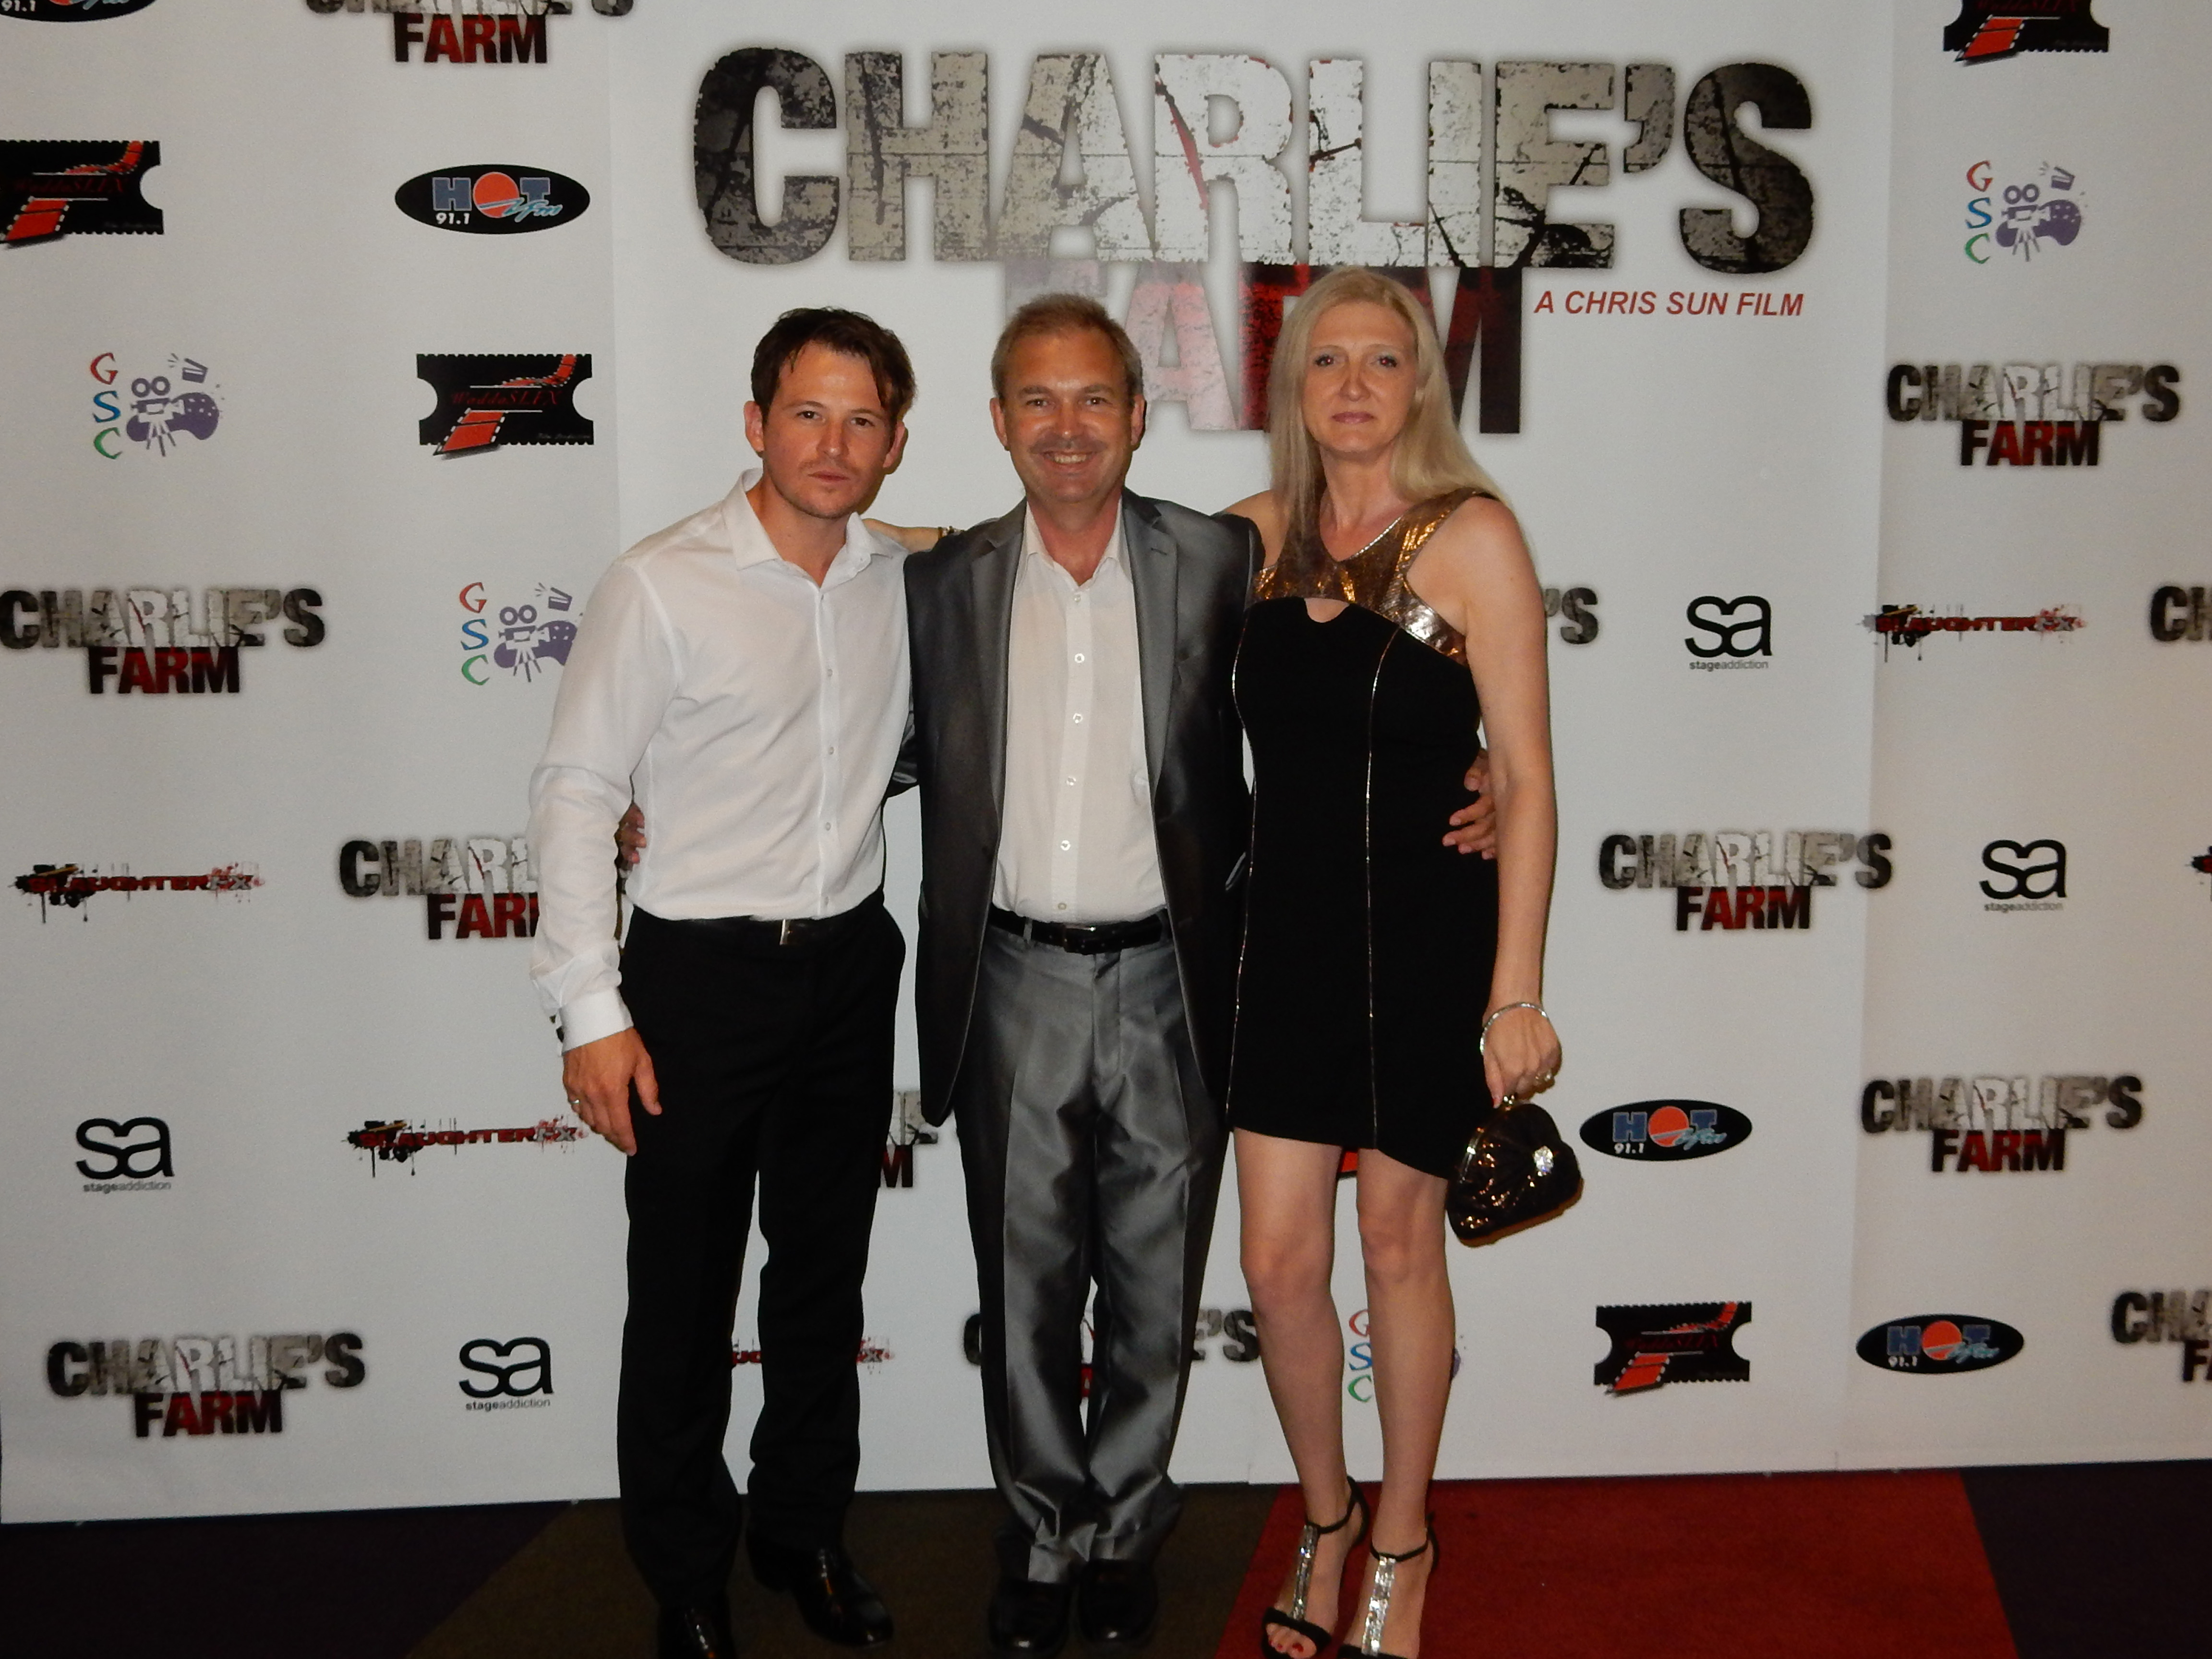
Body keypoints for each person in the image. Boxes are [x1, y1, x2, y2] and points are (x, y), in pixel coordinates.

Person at [528, 309, 918, 1659]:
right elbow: (579, 793)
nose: (834, 443)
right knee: (685, 1298)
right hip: (695, 980)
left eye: (862, 421)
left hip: (851, 968)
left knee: (823, 1284)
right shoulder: (662, 582)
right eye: (808, 414)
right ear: (755, 424)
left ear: (894, 444)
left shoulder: (897, 576)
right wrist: (594, 1011)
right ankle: (684, 1576)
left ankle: (802, 1535)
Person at [1226, 268, 1561, 1659]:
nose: (1353, 384)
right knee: (1280, 1262)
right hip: (1279, 946)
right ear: (1291, 389)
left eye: (1382, 359)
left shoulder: (1476, 536)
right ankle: (1324, 1514)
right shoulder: (1242, 538)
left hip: (1428, 945)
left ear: (1421, 382)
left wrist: (1517, 991)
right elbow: (1049, 557)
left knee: (1397, 1244)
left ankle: (1405, 1538)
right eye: (1325, 361)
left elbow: (1530, 784)